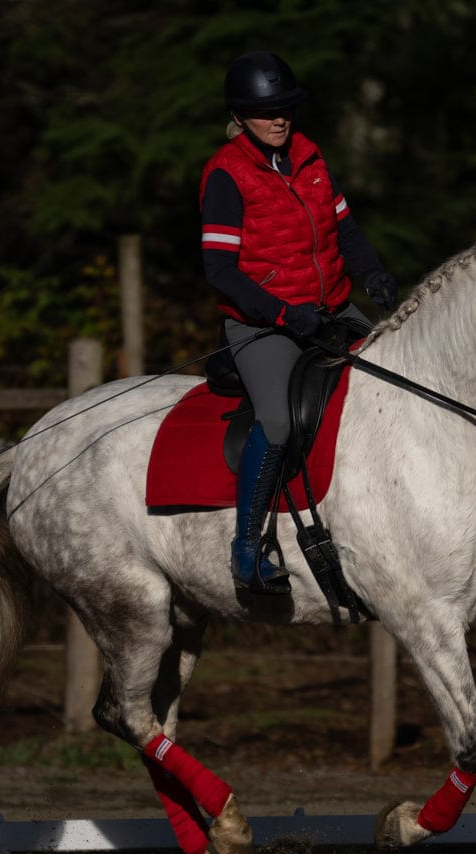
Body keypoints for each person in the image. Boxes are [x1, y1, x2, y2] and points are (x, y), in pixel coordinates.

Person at [199, 51, 399, 593]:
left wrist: (373, 275)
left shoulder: (310, 157)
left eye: (286, 108)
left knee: (401, 375)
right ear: (240, 117)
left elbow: (347, 233)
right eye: (267, 112)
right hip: (264, 324)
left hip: (333, 307)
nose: (280, 119)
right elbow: (219, 269)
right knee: (279, 421)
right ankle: (246, 548)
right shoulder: (226, 175)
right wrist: (284, 314)